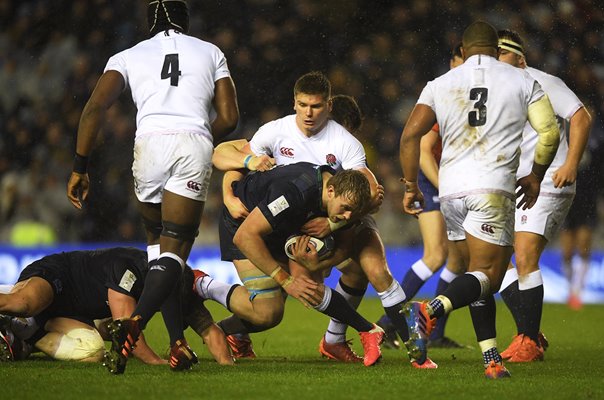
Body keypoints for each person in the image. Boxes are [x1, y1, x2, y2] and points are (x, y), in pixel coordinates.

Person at [212, 73, 435, 368]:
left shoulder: (345, 142)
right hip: (283, 219)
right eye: (303, 105)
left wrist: (332, 224)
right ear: (295, 103)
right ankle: (221, 313)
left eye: (315, 106)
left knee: (369, 270)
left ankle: (343, 341)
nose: (308, 112)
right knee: (282, 299)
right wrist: (229, 194)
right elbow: (231, 158)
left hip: (335, 216)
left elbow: (370, 195)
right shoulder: (274, 131)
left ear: (327, 106)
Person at [65, 0, 239, 374]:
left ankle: (177, 342)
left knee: (159, 248)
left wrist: (80, 167)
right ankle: (137, 321)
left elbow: (95, 107)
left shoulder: (126, 56)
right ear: (186, 20)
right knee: (176, 250)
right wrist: (201, 138)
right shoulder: (210, 51)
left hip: (148, 146)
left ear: (148, 24)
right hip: (191, 140)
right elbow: (229, 117)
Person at [399, 20, 560, 379]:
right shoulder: (520, 79)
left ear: (464, 48)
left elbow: (410, 136)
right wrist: (535, 174)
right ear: (494, 46)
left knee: (476, 276)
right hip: (491, 188)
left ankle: (491, 360)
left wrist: (411, 186)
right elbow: (549, 131)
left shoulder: (440, 83)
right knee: (491, 274)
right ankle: (429, 311)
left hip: (451, 191)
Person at [206, 161, 386, 367]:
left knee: (295, 292)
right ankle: (202, 285)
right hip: (242, 226)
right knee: (268, 312)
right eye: (345, 210)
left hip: (277, 229)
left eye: (352, 213)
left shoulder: (344, 196)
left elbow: (344, 249)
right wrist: (285, 280)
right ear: (330, 191)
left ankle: (220, 331)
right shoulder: (294, 193)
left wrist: (313, 265)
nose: (346, 217)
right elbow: (245, 236)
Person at [495, 30, 592, 361]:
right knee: (496, 259)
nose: (495, 60)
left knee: (524, 254)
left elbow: (581, 117)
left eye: (501, 53)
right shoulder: (497, 92)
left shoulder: (541, 82)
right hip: (519, 184)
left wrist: (571, 163)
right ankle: (528, 329)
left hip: (550, 178)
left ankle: (528, 341)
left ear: (520, 58)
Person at [376, 43, 467, 350]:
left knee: (458, 259)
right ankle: (385, 324)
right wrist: (444, 186)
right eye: (462, 60)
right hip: (434, 180)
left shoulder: (473, 93)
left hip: (454, 180)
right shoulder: (445, 93)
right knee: (436, 255)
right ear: (453, 62)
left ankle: (436, 332)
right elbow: (425, 150)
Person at [0, 247, 233, 365]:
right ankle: (16, 311)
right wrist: (158, 362)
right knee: (24, 303)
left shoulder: (178, 282)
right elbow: (127, 331)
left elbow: (211, 331)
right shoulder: (129, 270)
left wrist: (227, 366)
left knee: (92, 350)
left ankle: (26, 334)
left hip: (74, 312)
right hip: (57, 276)